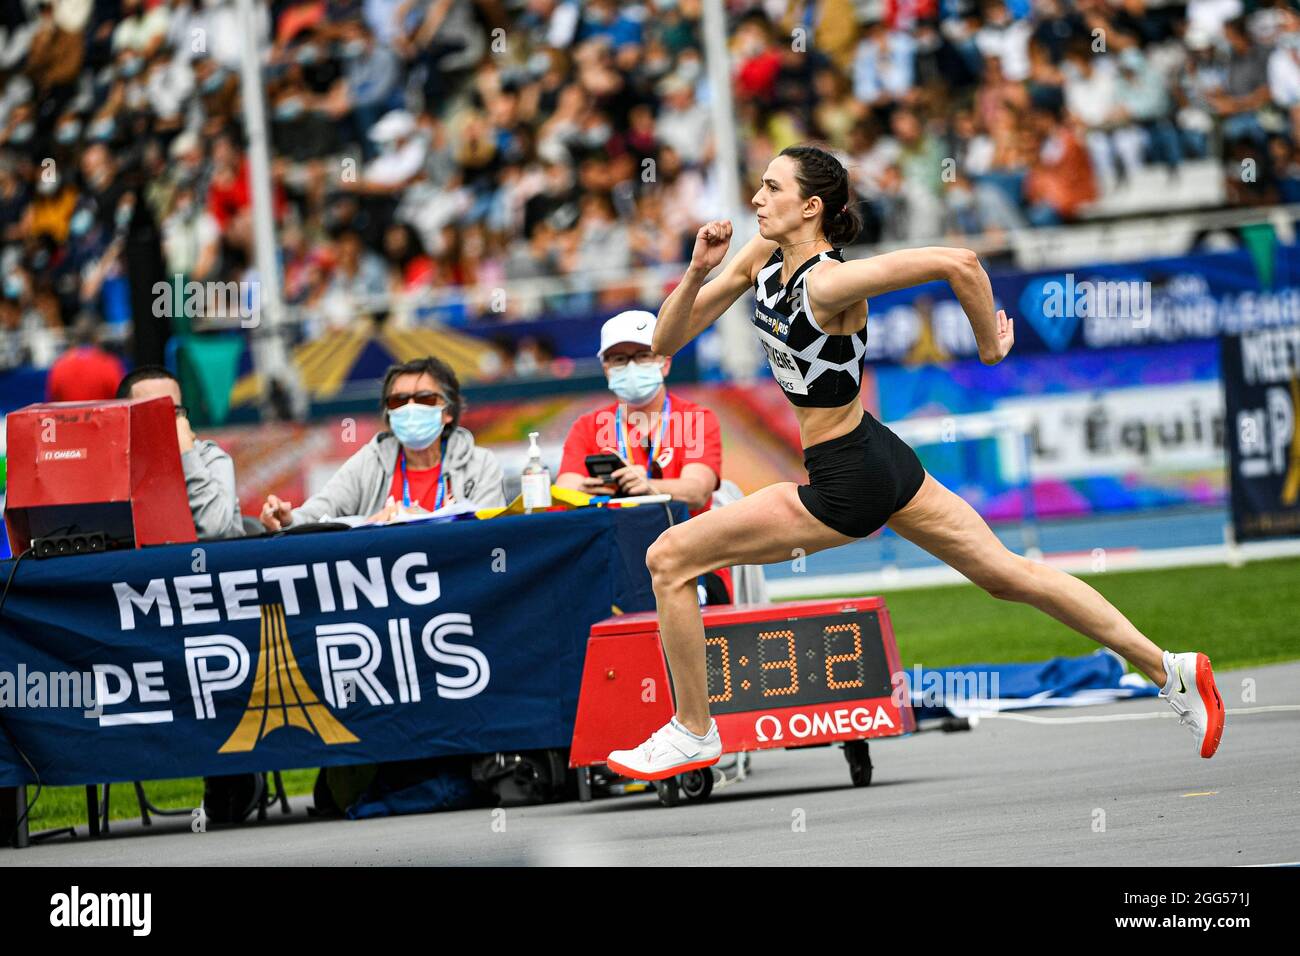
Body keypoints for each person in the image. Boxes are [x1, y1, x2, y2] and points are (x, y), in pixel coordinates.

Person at [605, 145, 1225, 781]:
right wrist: (697, 270)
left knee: (669, 558)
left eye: (770, 188)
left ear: (810, 207)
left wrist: (990, 347)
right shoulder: (761, 260)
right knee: (1009, 575)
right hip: (878, 455)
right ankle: (1169, 668)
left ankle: (694, 730)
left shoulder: (829, 281)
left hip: (846, 482)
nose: (756, 199)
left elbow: (960, 261)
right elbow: (664, 342)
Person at [556, 309, 731, 601]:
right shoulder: (588, 426)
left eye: (643, 355)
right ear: (606, 369)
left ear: (665, 363)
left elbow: (698, 491)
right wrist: (590, 491)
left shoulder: (696, 419)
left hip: (693, 563)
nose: (631, 366)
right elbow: (563, 489)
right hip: (614, 563)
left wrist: (649, 487)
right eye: (620, 359)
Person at [259, 355, 505, 529]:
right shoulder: (370, 461)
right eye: (398, 401)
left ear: (448, 411)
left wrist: (418, 521)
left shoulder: (480, 464)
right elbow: (322, 509)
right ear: (389, 413)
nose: (410, 407)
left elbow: (490, 534)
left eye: (425, 399)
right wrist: (287, 519)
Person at [116, 365, 243, 540]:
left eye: (173, 411)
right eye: (152, 410)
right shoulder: (118, 464)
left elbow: (213, 528)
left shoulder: (210, 458)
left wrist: (187, 454)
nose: (164, 420)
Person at [47, 314, 126, 402]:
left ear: (75, 337)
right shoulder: (109, 365)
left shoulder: (59, 367)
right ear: (97, 337)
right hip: (105, 415)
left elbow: (53, 402)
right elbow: (121, 400)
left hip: (70, 416)